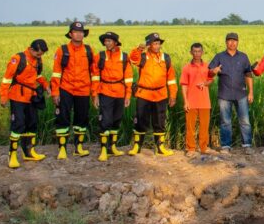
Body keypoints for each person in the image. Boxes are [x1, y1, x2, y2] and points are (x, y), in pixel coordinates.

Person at [0, 39, 50, 168]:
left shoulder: (38, 60)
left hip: (31, 97)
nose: (40, 56)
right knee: (18, 124)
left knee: (32, 123)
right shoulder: (18, 59)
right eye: (38, 53)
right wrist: (3, 96)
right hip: (17, 96)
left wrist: (46, 86)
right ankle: (12, 156)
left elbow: (37, 75)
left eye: (42, 54)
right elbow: (7, 78)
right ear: (31, 49)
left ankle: (29, 153)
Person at [129, 33, 177, 157]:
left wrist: (173, 95)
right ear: (149, 45)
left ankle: (160, 147)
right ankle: (137, 147)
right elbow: (133, 59)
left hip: (161, 95)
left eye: (158, 43)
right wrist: (139, 49)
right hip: (144, 95)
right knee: (140, 120)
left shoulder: (166, 58)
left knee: (160, 122)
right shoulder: (143, 56)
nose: (157, 46)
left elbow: (171, 79)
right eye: (154, 43)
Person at [51, 21, 94, 159]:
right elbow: (56, 73)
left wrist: (94, 92)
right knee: (62, 118)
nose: (79, 34)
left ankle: (78, 148)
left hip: (83, 90)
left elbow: (94, 72)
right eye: (76, 32)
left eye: (81, 32)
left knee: (81, 119)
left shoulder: (89, 50)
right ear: (70, 34)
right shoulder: (62, 50)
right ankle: (62, 149)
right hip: (66, 89)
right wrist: (55, 92)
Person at [208, 33, 254, 154]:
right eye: (230, 40)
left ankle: (247, 145)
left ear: (238, 42)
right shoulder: (219, 56)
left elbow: (248, 74)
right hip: (224, 94)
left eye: (235, 41)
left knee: (245, 121)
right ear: (226, 42)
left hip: (241, 94)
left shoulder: (243, 57)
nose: (232, 43)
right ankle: (226, 146)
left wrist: (251, 92)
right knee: (225, 122)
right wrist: (214, 71)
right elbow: (210, 71)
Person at [92, 31, 133, 162]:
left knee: (116, 120)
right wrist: (95, 94)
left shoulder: (124, 57)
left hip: (120, 92)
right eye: (105, 41)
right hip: (105, 92)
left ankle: (112, 147)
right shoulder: (100, 56)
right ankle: (104, 150)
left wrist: (128, 95)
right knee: (105, 121)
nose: (106, 43)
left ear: (115, 43)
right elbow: (95, 76)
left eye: (109, 41)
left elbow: (128, 78)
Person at [180, 42, 215, 157]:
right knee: (190, 126)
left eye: (199, 51)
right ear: (191, 52)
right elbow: (184, 85)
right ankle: (190, 148)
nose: (197, 54)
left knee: (204, 126)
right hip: (191, 101)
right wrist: (185, 101)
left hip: (205, 101)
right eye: (194, 51)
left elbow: (211, 80)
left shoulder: (207, 66)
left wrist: (205, 83)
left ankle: (204, 147)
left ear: (202, 52)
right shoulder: (186, 68)